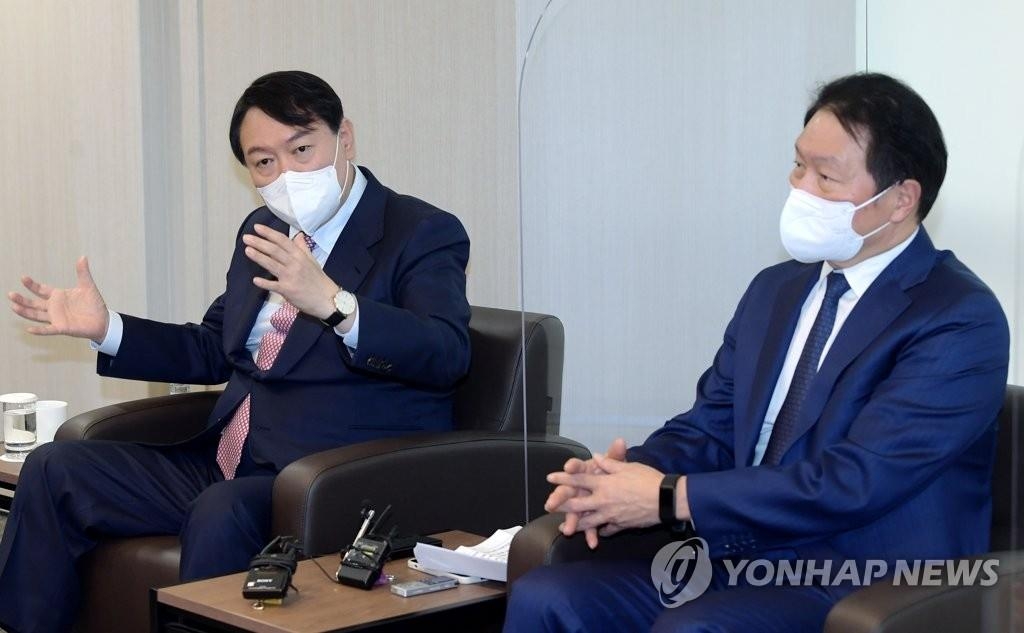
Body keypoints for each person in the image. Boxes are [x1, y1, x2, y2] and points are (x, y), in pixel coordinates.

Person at [504, 72, 1010, 633]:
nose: (801, 188)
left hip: (862, 577)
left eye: (825, 176)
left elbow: (855, 480)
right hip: (736, 551)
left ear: (900, 199)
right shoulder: (777, 289)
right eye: (798, 166)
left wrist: (670, 497)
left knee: (693, 630)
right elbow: (712, 427)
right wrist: (626, 478)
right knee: (546, 598)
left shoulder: (957, 318)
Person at [0, 70, 471, 633]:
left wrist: (336, 304)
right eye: (264, 161)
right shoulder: (264, 228)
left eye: (301, 149)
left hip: (323, 480)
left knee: (219, 511)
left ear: (344, 137)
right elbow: (213, 348)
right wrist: (108, 329)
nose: (286, 174)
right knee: (55, 466)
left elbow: (446, 352)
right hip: (226, 459)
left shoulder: (420, 231)